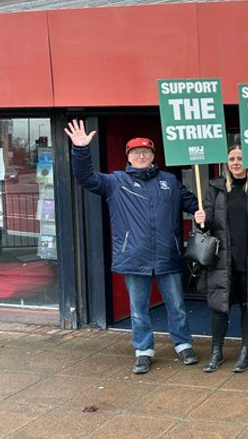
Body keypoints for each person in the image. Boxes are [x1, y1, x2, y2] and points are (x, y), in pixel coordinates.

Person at [65, 119, 200, 374]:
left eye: (145, 152)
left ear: (153, 156)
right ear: (128, 157)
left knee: (177, 307)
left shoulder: (170, 181)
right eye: (135, 152)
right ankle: (143, 351)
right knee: (138, 310)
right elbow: (86, 178)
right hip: (134, 257)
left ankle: (183, 345)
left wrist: (201, 213)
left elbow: (193, 203)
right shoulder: (116, 182)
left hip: (167, 255)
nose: (141, 156)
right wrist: (81, 150)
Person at [194, 144, 248, 373]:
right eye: (232, 159)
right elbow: (207, 223)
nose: (236, 163)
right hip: (223, 259)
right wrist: (200, 219)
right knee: (219, 308)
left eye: (240, 158)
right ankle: (216, 352)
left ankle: (245, 351)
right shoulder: (215, 187)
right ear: (227, 163)